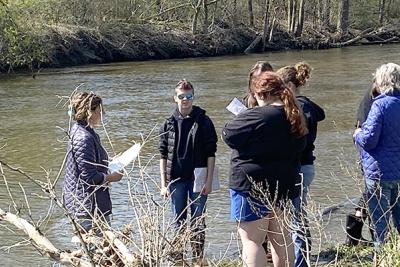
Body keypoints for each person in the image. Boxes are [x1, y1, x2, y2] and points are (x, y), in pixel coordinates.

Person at [222, 71, 307, 267]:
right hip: (284, 185)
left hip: (251, 186)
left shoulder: (256, 115)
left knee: (252, 241)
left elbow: (228, 134)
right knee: (282, 239)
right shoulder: (294, 114)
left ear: (260, 94)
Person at [159, 79, 217, 265]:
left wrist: (209, 181)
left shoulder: (204, 121)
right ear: (175, 98)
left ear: (193, 97)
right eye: (182, 96)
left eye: (189, 96)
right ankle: (179, 260)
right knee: (178, 221)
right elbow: (162, 156)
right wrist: (163, 184)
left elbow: (211, 153)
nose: (185, 100)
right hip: (175, 179)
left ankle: (198, 259)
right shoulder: (168, 123)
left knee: (198, 220)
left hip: (198, 178)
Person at [277, 62, 325, 267]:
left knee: (296, 215)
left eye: (279, 86)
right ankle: (300, 257)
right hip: (306, 165)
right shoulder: (306, 104)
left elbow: (300, 137)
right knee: (296, 212)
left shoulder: (300, 106)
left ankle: (302, 260)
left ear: (289, 85)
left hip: (300, 166)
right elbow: (321, 113)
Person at [63, 91, 123, 234]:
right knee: (94, 252)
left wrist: (109, 162)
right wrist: (112, 177)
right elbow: (89, 177)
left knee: (100, 251)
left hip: (88, 203)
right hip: (86, 207)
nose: (102, 115)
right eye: (100, 110)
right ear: (90, 112)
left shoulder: (85, 131)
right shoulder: (83, 137)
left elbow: (89, 163)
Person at [353, 63, 400, 245]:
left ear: (380, 80)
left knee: (380, 220)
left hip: (379, 171)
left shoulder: (379, 105)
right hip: (398, 171)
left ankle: (382, 257)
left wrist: (358, 134)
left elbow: (369, 140)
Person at [345, 82, 380, 246]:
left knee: (371, 191)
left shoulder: (373, 94)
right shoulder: (379, 98)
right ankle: (377, 238)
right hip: (374, 152)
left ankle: (354, 231)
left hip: (368, 151)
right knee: (375, 193)